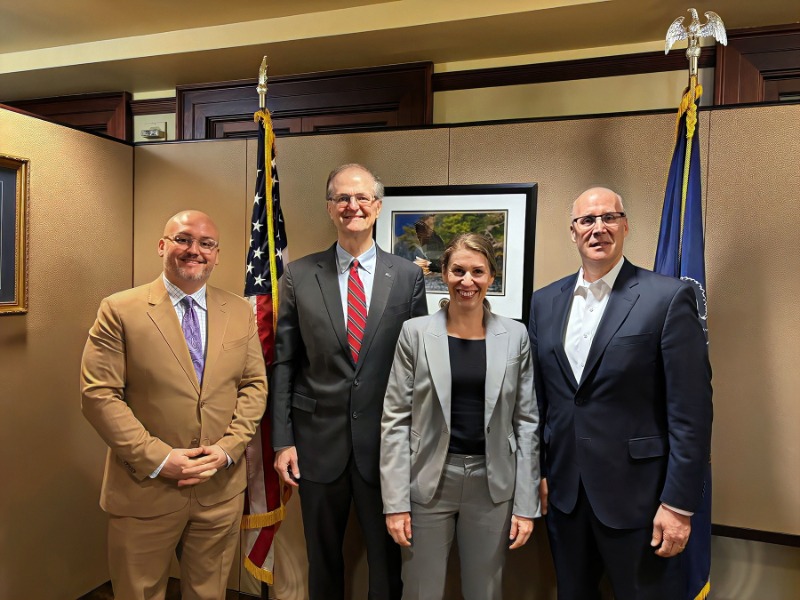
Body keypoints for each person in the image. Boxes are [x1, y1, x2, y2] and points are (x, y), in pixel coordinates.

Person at [528, 187, 713, 600]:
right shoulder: (544, 303)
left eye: (609, 218)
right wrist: (540, 471)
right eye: (587, 221)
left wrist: (679, 506)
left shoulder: (666, 297)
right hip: (565, 496)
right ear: (572, 232)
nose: (598, 229)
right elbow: (542, 402)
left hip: (642, 503)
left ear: (625, 226)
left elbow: (691, 414)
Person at [80, 210, 268, 600]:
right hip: (145, 488)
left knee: (208, 593)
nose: (194, 250)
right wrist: (161, 459)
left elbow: (254, 386)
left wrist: (226, 450)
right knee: (139, 592)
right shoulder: (119, 310)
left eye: (206, 244)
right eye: (182, 239)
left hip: (218, 490)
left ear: (217, 255)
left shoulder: (238, 312)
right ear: (162, 246)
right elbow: (99, 395)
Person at [270, 163, 427, 600]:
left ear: (377, 206)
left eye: (361, 198)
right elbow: (285, 362)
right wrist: (283, 441)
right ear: (329, 208)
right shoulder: (299, 275)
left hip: (387, 447)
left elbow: (419, 367)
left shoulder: (408, 277)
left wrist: (415, 442)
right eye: (342, 198)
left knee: (386, 560)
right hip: (316, 444)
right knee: (322, 560)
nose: (352, 206)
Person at [381, 233, 540, 600]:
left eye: (478, 272)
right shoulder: (415, 333)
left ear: (492, 277)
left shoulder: (515, 335)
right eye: (458, 271)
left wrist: (526, 505)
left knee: (485, 592)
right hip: (428, 482)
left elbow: (527, 422)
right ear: (443, 273)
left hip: (493, 483)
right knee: (421, 591)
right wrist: (395, 503)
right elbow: (394, 420)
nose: (467, 281)